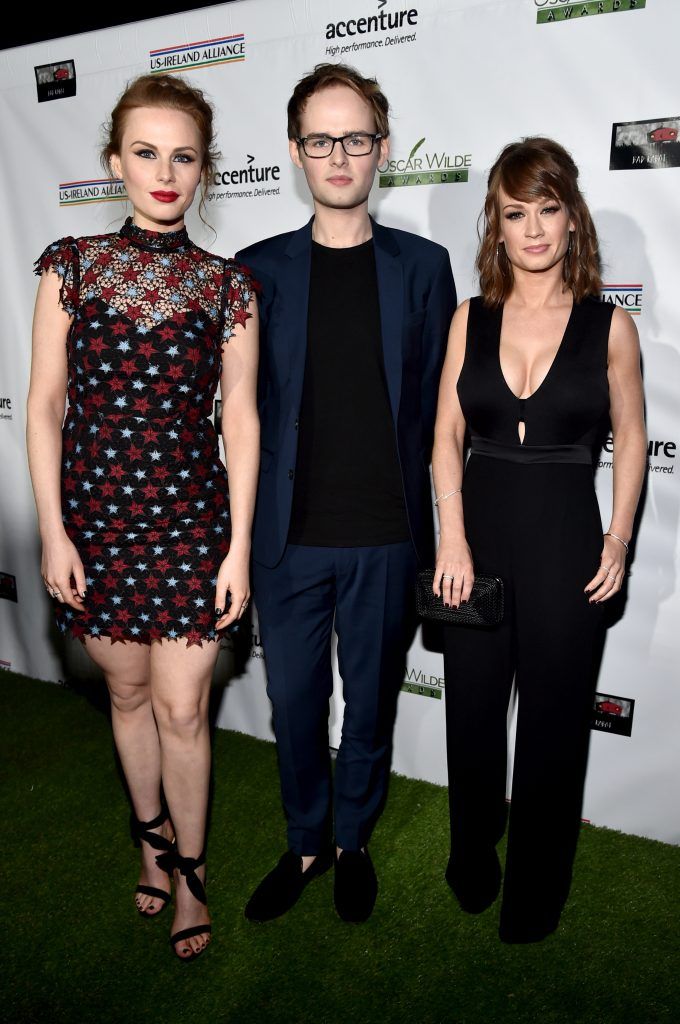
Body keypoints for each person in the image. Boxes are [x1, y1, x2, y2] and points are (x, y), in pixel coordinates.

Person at [26, 74, 259, 961]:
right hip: (94, 525)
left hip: (193, 527)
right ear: (115, 160)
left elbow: (241, 420)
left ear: (204, 171)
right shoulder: (70, 264)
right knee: (125, 693)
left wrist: (237, 548)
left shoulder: (228, 287)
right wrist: (53, 529)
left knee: (183, 708)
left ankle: (193, 871)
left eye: (185, 156)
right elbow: (45, 405)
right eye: (147, 152)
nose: (166, 172)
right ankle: (152, 843)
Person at [235, 63, 456, 923]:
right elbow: (242, 418)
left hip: (389, 536)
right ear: (295, 153)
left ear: (383, 149)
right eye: (320, 139)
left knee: (369, 703)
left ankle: (354, 840)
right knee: (294, 703)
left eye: (355, 138)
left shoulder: (424, 268)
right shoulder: (254, 272)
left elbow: (443, 413)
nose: (339, 155)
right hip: (287, 541)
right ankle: (305, 843)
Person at [432, 137, 646, 943]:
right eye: (515, 212)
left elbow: (632, 435)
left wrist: (619, 540)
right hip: (476, 540)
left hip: (566, 543)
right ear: (497, 222)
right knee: (473, 713)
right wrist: (451, 537)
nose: (532, 230)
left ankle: (537, 887)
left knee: (555, 723)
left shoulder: (608, 326)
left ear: (571, 219)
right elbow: (444, 436)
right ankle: (473, 858)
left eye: (547, 210)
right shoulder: (469, 318)